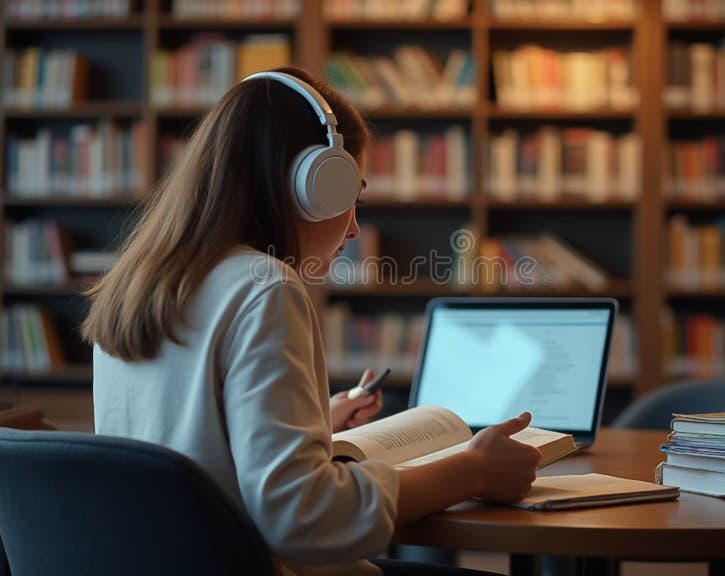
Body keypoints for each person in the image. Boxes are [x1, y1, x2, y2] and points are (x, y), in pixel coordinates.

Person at [83, 67, 542, 576]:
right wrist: (473, 469)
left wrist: (314, 421)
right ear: (313, 184)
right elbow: (303, 517)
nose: (353, 227)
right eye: (351, 195)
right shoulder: (266, 287)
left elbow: (188, 446)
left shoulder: (137, 285)